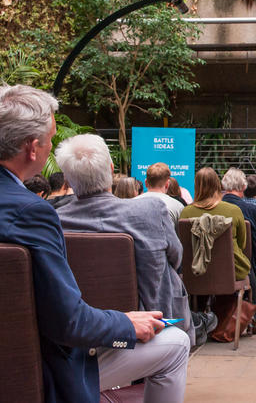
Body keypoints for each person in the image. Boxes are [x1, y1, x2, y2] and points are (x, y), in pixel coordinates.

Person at [0, 85, 188, 402]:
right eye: (51, 139)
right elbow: (69, 323)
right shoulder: (31, 213)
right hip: (36, 374)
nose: (50, 148)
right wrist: (124, 322)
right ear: (32, 149)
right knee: (176, 343)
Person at [55, 134, 194, 345]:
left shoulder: (54, 221)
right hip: (149, 330)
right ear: (111, 169)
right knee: (176, 344)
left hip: (80, 333)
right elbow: (177, 258)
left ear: (67, 178)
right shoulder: (151, 210)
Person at [180, 168, 251, 343]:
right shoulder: (233, 210)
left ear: (196, 186)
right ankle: (227, 322)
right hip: (231, 272)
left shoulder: (186, 213)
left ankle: (199, 319)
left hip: (196, 274)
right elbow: (242, 244)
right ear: (218, 185)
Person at [221, 168, 256, 302]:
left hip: (211, 272)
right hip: (249, 271)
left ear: (223, 185)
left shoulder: (212, 209)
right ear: (244, 187)